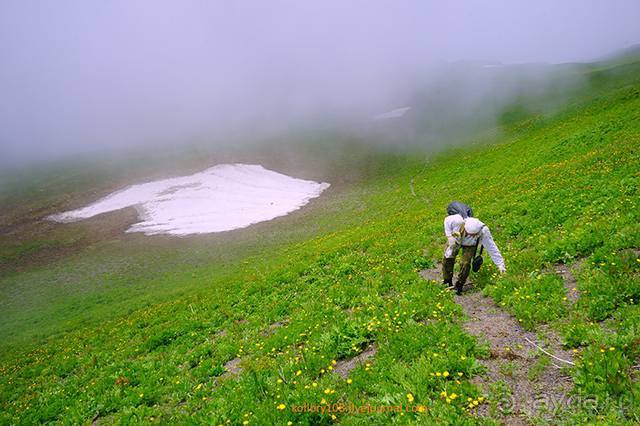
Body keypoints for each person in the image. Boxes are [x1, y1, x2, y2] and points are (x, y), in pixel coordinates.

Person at [442, 215, 506, 295]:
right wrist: (449, 237)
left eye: (474, 235)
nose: (471, 236)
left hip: (470, 246)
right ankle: (447, 280)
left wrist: (500, 265)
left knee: (465, 263)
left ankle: (460, 284)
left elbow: (492, 247)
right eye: (470, 235)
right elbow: (446, 221)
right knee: (447, 259)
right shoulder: (456, 221)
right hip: (456, 240)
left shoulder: (484, 231)